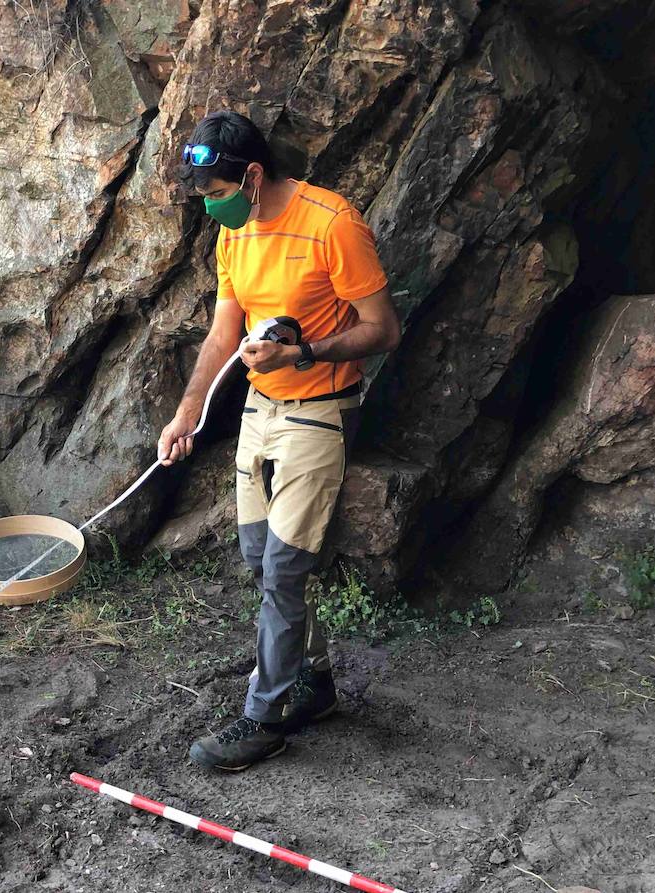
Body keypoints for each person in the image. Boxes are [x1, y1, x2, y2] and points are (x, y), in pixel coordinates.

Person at [158, 111, 401, 770]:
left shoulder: (332, 223)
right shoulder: (234, 238)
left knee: (285, 571)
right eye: (203, 192)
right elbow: (220, 335)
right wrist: (187, 413)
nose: (210, 204)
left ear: (254, 175)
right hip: (260, 411)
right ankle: (314, 680)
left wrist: (305, 353)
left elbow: (383, 328)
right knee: (260, 558)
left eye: (216, 190)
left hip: (320, 410)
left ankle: (260, 719)